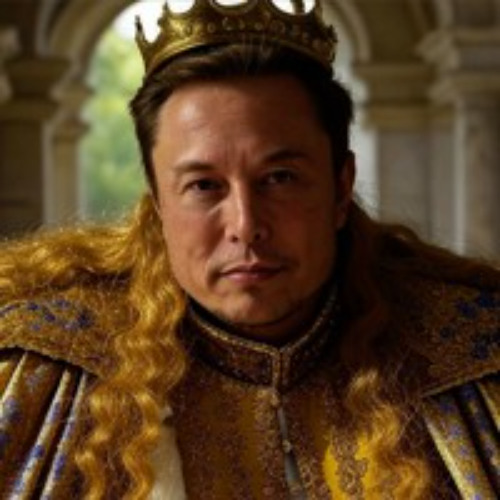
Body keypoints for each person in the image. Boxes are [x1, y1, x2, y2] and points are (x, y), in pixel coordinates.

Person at [0, 0, 499, 498]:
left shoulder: (473, 355)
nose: (246, 225)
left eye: (280, 178)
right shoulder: (50, 372)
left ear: (341, 188)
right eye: (203, 186)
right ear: (158, 206)